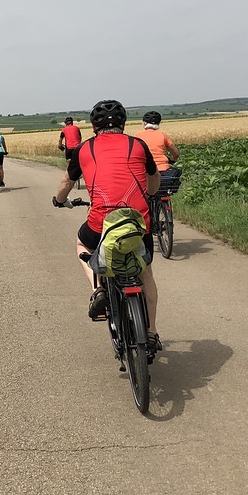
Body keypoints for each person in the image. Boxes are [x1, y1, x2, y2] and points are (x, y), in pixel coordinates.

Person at [52, 100, 162, 350]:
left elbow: (67, 182)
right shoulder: (138, 144)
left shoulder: (84, 149)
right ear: (123, 124)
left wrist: (59, 200)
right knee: (145, 272)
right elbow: (154, 178)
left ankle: (98, 290)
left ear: (93, 127)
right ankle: (152, 332)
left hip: (101, 222)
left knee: (82, 244)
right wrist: (151, 193)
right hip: (138, 223)